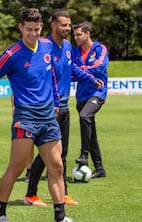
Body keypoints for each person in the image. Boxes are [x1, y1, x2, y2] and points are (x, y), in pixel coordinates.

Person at [0, 8, 86, 222]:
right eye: (28, 30)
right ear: (20, 28)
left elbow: (52, 76)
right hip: (25, 118)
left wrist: (55, 101)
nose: (33, 34)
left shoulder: (46, 46)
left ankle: (60, 218)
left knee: (57, 166)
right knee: (15, 169)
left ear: (41, 28)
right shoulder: (11, 55)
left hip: (48, 118)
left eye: (36, 29)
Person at [24, 11, 103, 207]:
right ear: (53, 26)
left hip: (65, 107)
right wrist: (54, 103)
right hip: (50, 108)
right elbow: (45, 76)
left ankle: (64, 194)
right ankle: (31, 194)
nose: (67, 29)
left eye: (69, 25)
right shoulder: (45, 47)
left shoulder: (67, 46)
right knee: (46, 155)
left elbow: (72, 69)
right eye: (63, 25)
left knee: (63, 153)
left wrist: (90, 79)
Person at [72, 21, 109, 178]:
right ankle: (100, 169)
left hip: (97, 92)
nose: (76, 38)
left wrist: (81, 71)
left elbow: (100, 68)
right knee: (90, 131)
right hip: (81, 95)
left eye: (79, 34)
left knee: (84, 116)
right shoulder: (74, 52)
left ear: (87, 34)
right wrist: (84, 71)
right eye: (74, 35)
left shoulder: (100, 49)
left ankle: (84, 155)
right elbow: (71, 72)